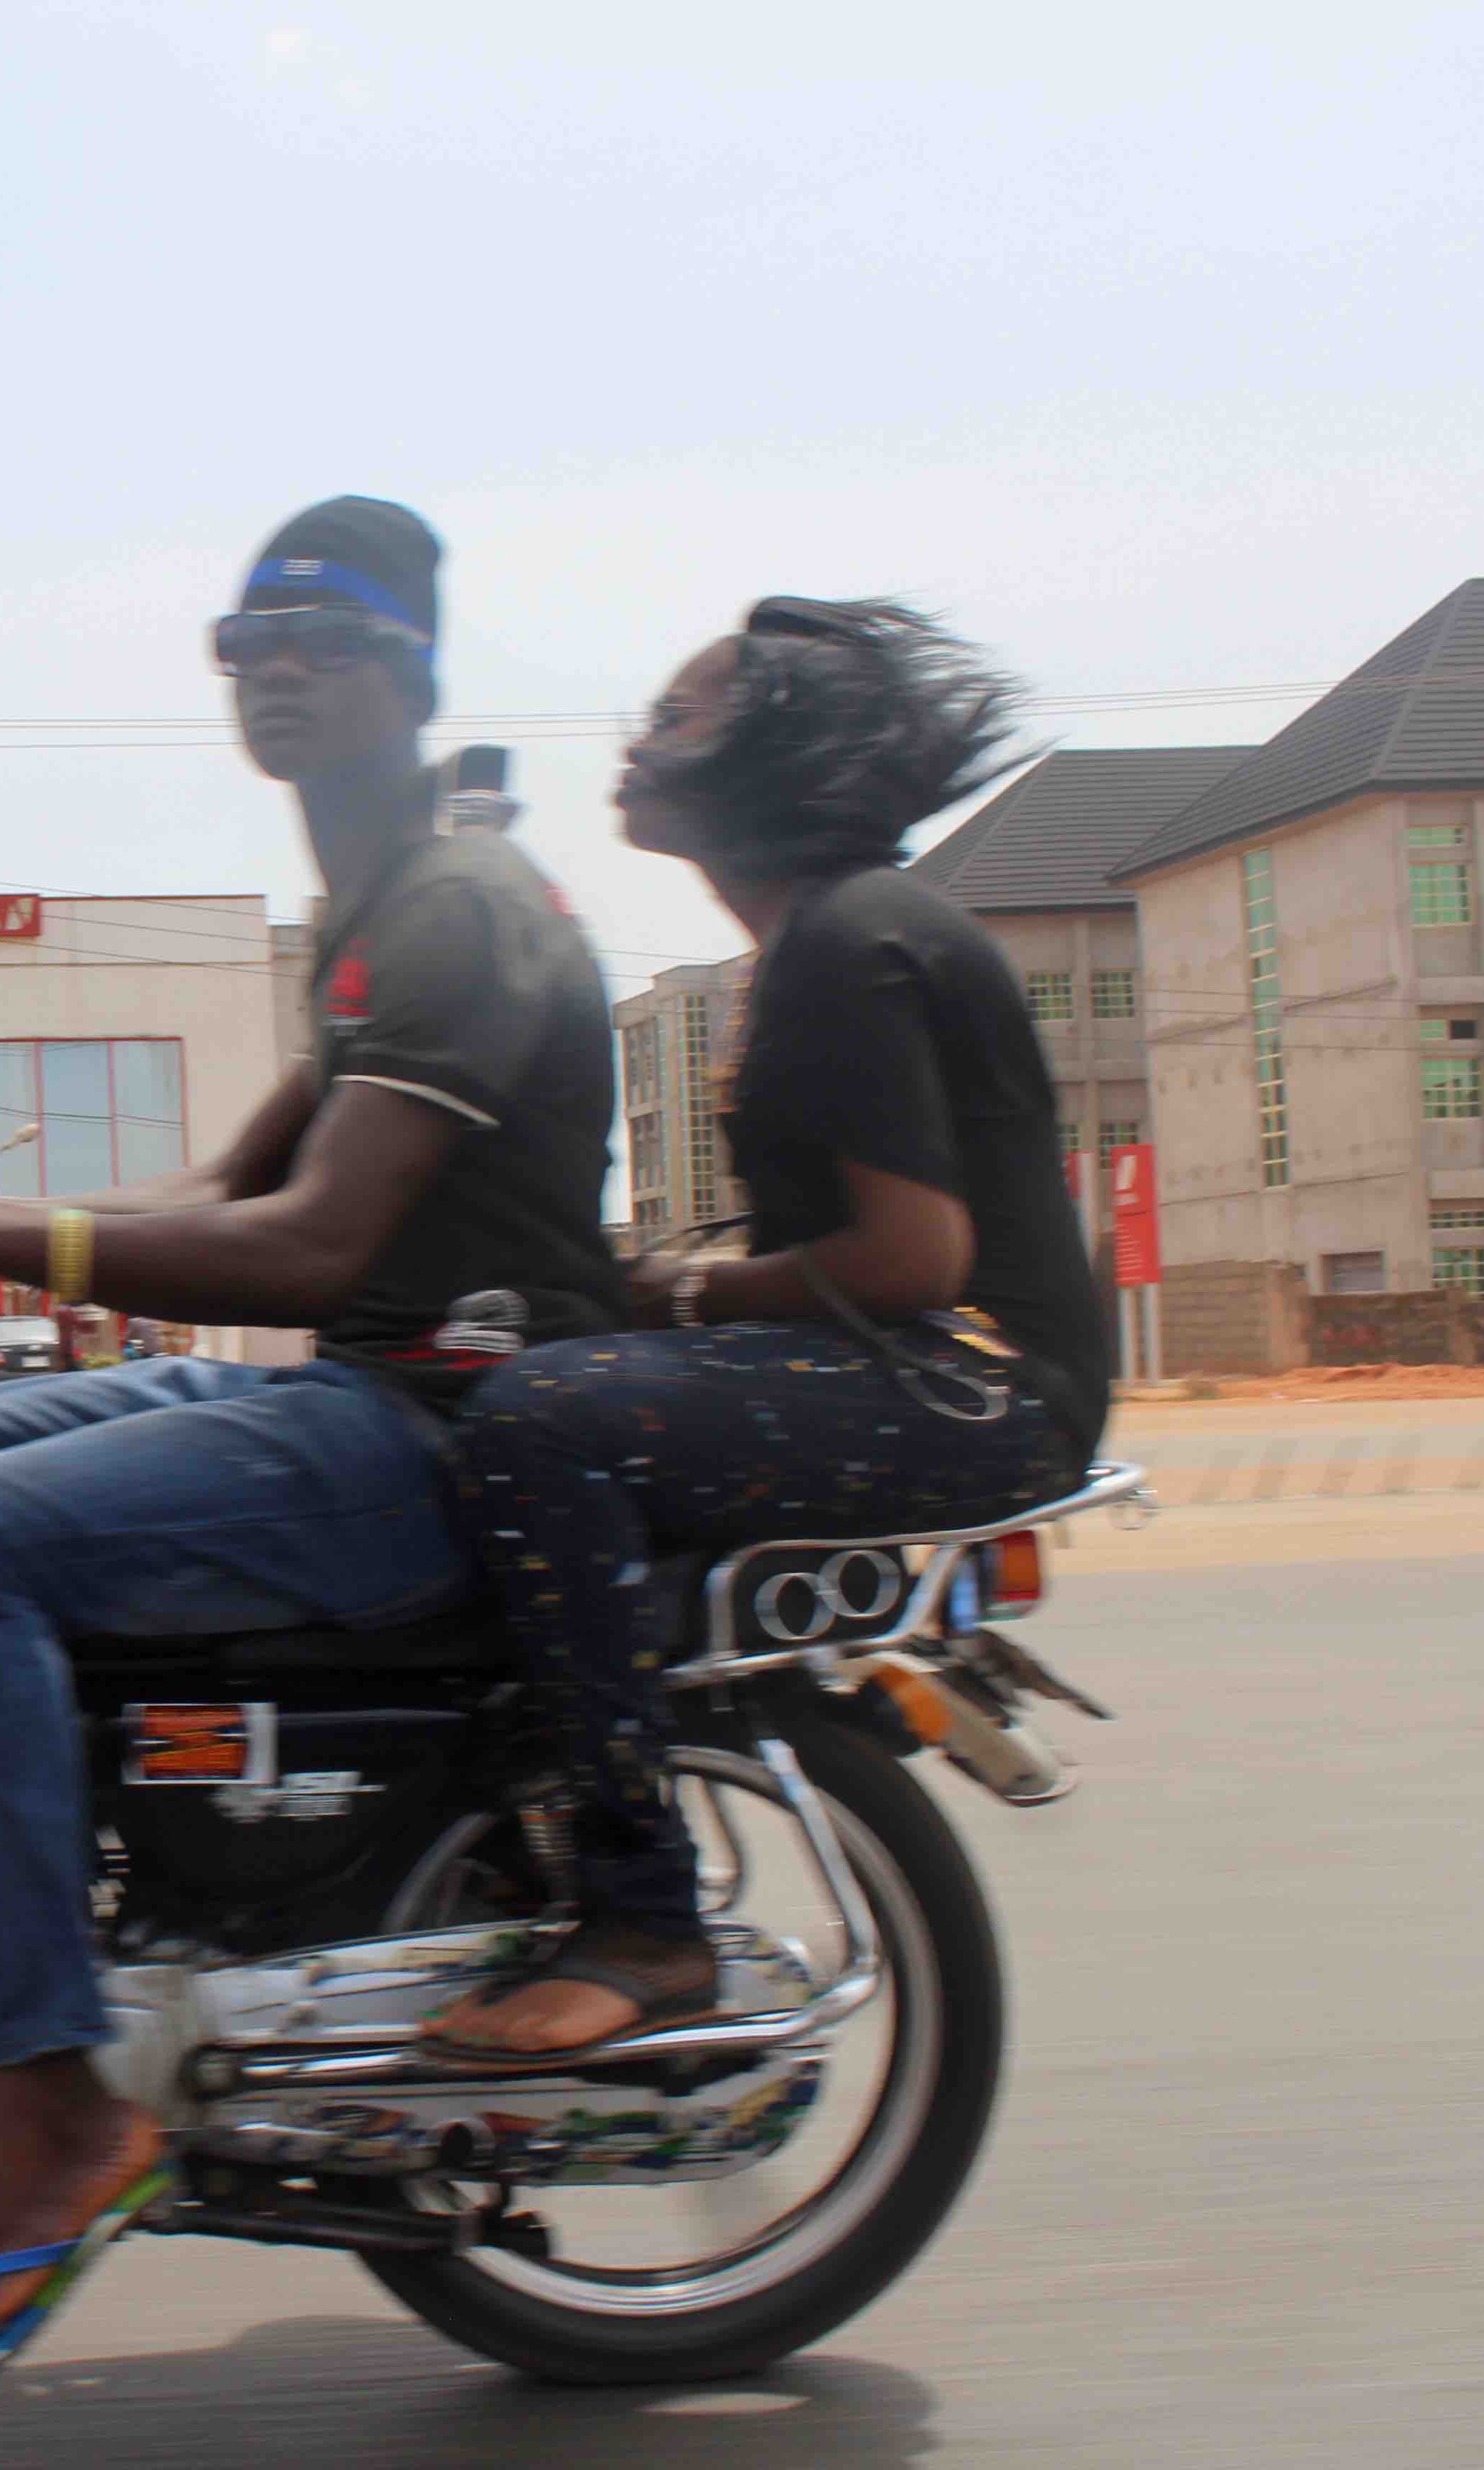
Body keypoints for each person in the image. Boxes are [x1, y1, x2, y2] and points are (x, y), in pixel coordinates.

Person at [0, 495, 625, 2402]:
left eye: (324, 644)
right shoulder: (372, 914)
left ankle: (54, 2090)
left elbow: (300, 1251)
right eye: (248, 645)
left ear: (411, 675)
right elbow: (215, 1192)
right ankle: (79, 1884)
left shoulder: (457, 912)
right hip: (348, 1395)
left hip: (440, 1428)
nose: (278, 673)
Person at [418, 600, 1106, 2068]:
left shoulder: (850, 939)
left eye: (682, 716)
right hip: (922, 1365)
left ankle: (644, 1920)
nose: (638, 740)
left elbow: (914, 1259)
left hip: (980, 1385)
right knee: (514, 1382)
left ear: (785, 755)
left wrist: (673, 1293)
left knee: (541, 1423)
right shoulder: (820, 936)